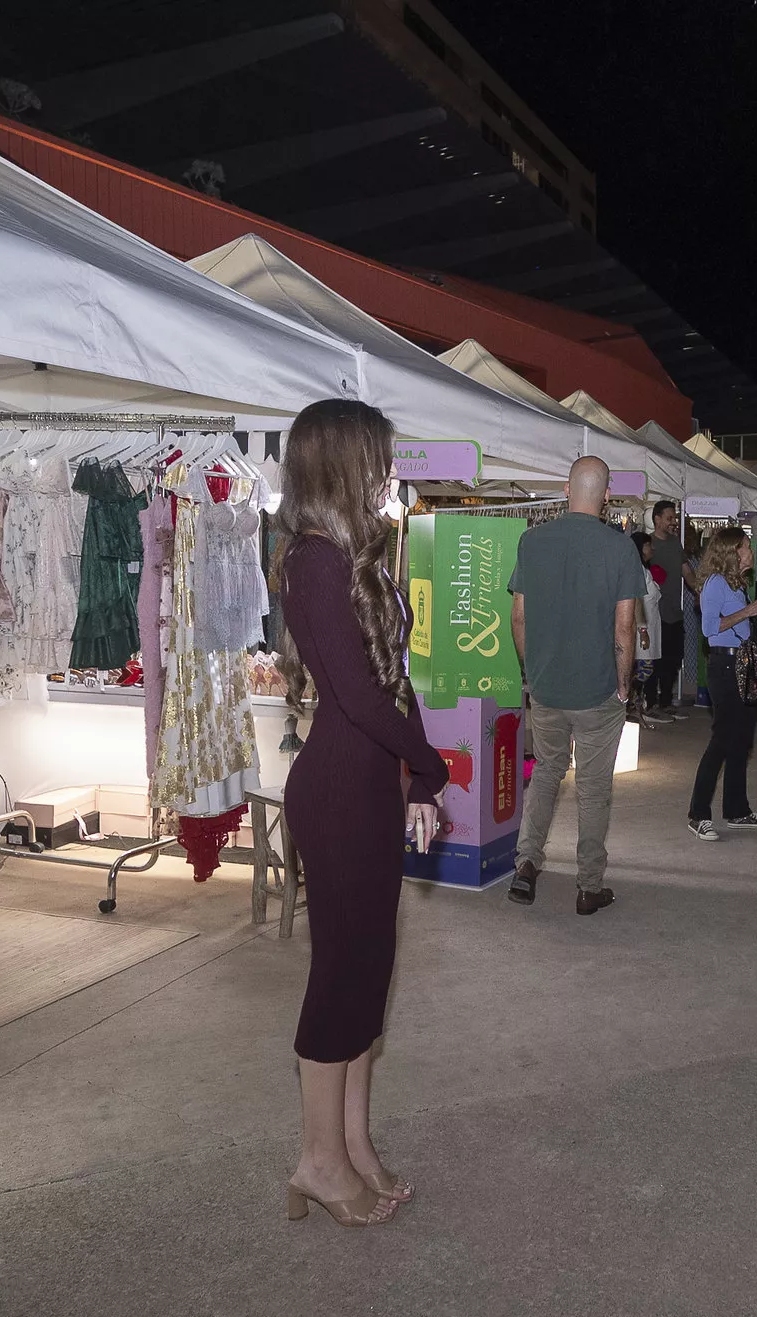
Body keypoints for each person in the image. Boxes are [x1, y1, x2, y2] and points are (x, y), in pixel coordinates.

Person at [273, 399, 447, 1228]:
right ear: (340, 462)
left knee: (369, 974)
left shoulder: (353, 554)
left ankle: (353, 1144)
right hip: (339, 791)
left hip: (369, 785)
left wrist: (414, 784)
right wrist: (434, 765)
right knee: (341, 974)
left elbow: (393, 683)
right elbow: (361, 699)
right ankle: (316, 1160)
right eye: (376, 456)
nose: (387, 470)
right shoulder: (312, 561)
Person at [506, 457, 641, 915]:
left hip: (546, 689)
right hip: (598, 690)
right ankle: (588, 886)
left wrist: (533, 673)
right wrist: (624, 685)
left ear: (566, 489)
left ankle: (526, 866)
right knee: (593, 786)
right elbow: (624, 628)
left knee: (545, 773)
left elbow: (518, 617)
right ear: (606, 495)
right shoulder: (621, 549)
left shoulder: (532, 541)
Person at [687, 526, 757, 839]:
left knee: (741, 740)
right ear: (732, 552)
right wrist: (748, 611)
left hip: (742, 664)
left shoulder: (736, 583)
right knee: (722, 740)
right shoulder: (714, 583)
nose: (751, 552)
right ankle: (698, 813)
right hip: (724, 666)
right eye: (746, 547)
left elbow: (738, 623)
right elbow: (711, 629)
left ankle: (737, 810)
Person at [645, 500, 687, 719]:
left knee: (672, 658)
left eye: (675, 518)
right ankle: (650, 703)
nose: (673, 522)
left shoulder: (675, 544)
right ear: (657, 519)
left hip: (673, 612)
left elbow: (686, 570)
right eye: (669, 518)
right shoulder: (647, 545)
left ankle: (665, 701)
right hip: (654, 614)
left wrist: (700, 589)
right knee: (653, 659)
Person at [629, 530, 664, 725]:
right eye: (648, 545)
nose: (652, 548)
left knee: (645, 668)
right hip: (642, 628)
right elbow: (637, 602)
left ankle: (635, 707)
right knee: (643, 669)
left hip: (649, 625)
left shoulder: (644, 570)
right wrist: (642, 631)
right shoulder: (637, 570)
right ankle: (631, 706)